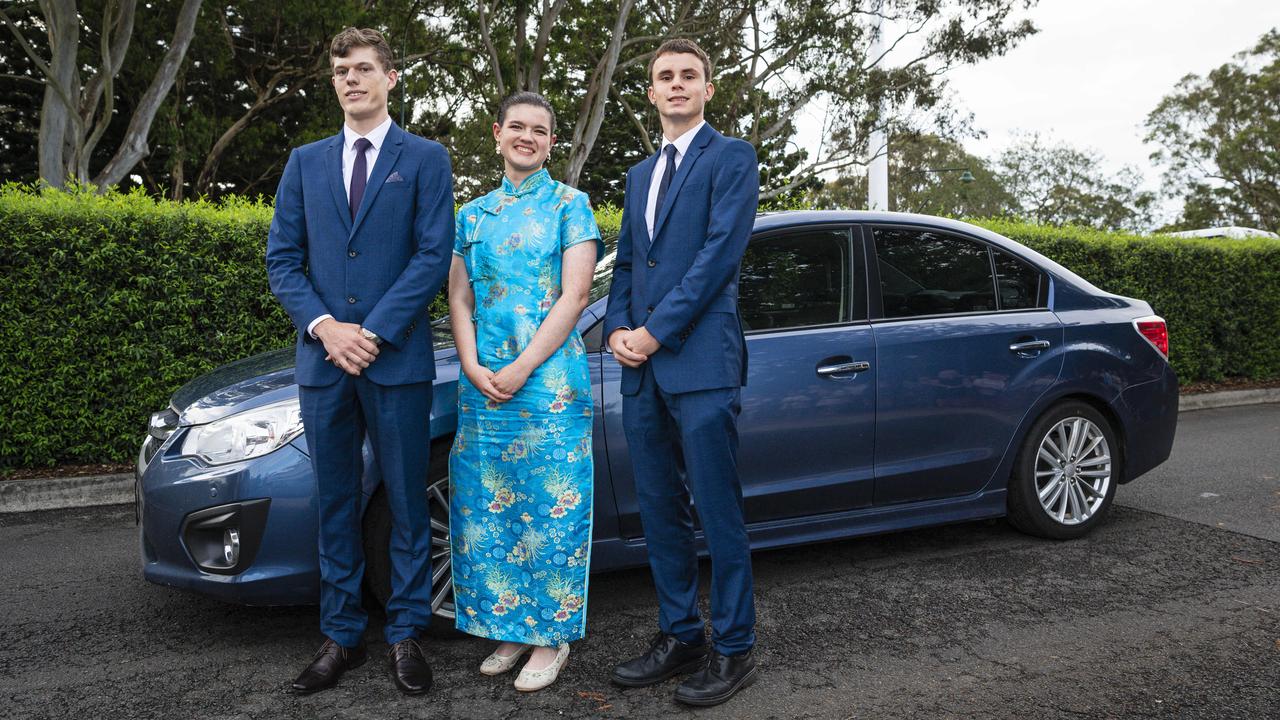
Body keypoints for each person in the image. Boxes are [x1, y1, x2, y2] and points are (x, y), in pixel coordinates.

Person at [265, 27, 453, 696]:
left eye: (364, 68)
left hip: (395, 363)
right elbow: (282, 261)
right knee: (337, 505)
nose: (351, 78)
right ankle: (341, 637)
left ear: (390, 78)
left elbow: (432, 256)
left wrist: (368, 332)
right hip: (324, 366)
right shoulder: (305, 162)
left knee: (405, 502)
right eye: (342, 68)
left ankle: (405, 633)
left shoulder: (426, 159)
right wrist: (326, 328)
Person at [605, 38, 760, 707]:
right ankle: (679, 636)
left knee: (717, 511)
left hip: (699, 361)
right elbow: (631, 262)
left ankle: (733, 649)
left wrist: (653, 331)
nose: (675, 85)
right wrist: (615, 328)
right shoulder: (640, 175)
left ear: (707, 88)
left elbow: (717, 257)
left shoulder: (731, 158)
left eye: (688, 76)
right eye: (664, 77)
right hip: (640, 368)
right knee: (660, 511)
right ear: (650, 91)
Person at [447, 91, 602, 692]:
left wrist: (521, 367)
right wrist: (471, 363)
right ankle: (510, 627)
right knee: (489, 508)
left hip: (547, 388)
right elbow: (459, 296)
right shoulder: (473, 214)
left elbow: (576, 296)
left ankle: (550, 636)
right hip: (482, 386)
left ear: (551, 143)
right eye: (518, 127)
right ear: (497, 133)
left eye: (540, 130)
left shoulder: (572, 205)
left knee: (549, 510)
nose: (527, 137)